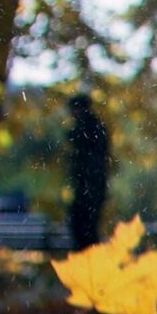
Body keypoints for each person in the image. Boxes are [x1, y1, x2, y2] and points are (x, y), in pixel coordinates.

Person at [66, 93, 111, 249]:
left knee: (84, 224)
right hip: (92, 181)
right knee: (87, 223)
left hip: (89, 181)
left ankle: (87, 256)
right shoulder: (96, 127)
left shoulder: (86, 127)